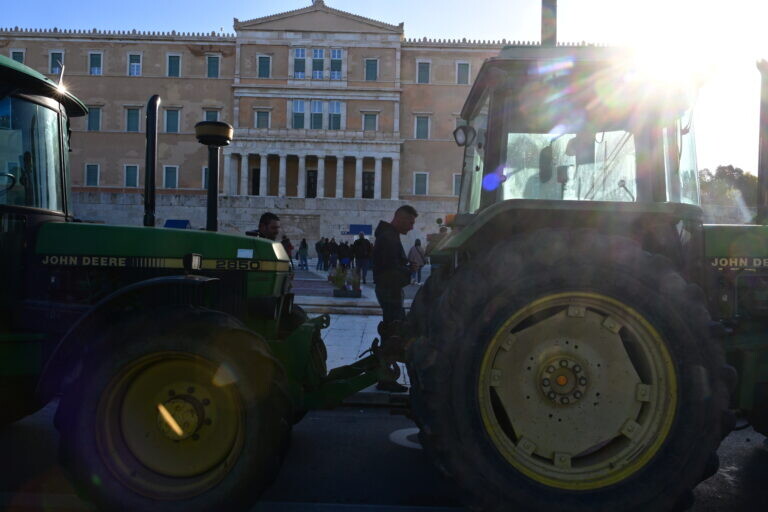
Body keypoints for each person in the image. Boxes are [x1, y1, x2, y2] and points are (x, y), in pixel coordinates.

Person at [372, 205, 417, 392]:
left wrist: (405, 265)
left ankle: (385, 374)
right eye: (410, 222)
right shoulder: (388, 238)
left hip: (388, 289)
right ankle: (385, 378)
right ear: (399, 218)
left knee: (392, 329)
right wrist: (410, 271)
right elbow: (391, 271)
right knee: (392, 331)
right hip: (389, 289)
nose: (412, 227)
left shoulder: (389, 235)